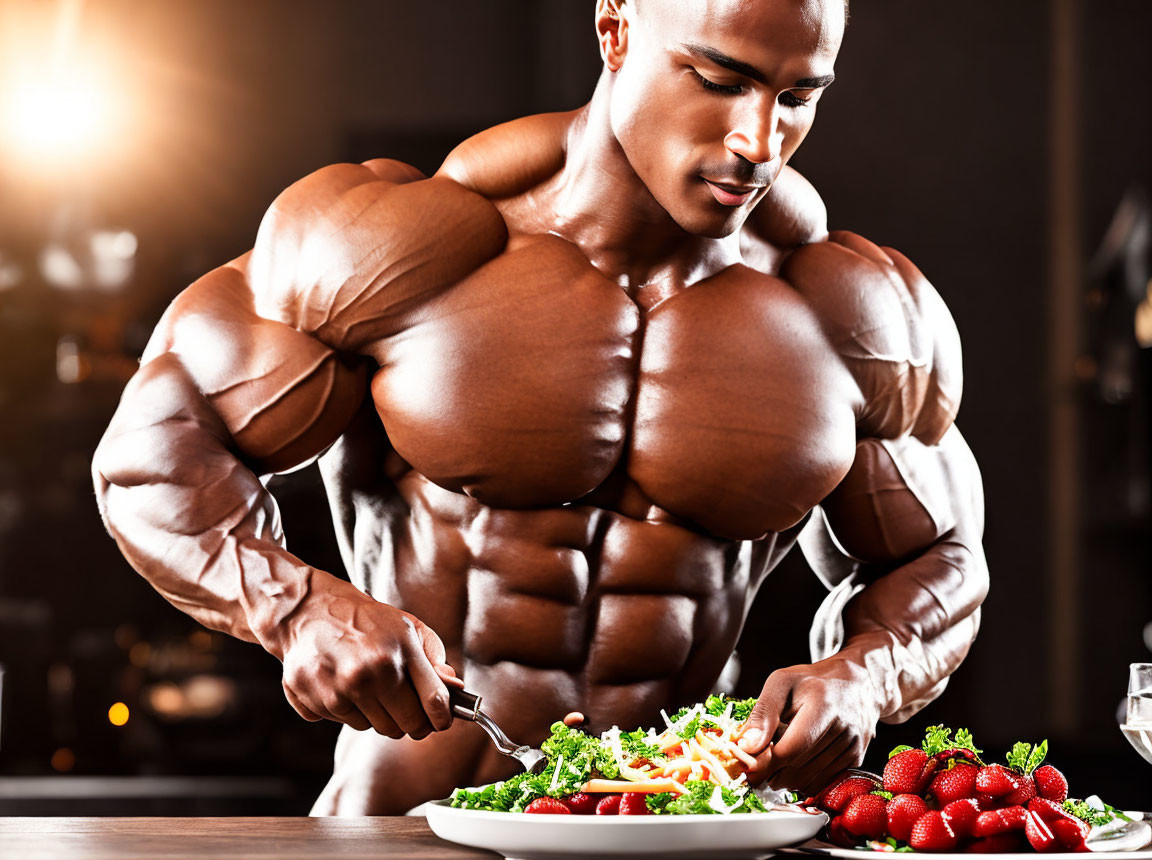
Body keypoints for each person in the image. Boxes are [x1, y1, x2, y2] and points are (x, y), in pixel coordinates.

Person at [93, 0, 988, 815]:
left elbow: (941, 556)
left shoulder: (844, 309)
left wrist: (866, 675)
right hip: (412, 830)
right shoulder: (400, 247)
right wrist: (298, 610)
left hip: (680, 833)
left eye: (799, 96)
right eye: (720, 80)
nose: (760, 138)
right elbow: (153, 458)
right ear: (615, 29)